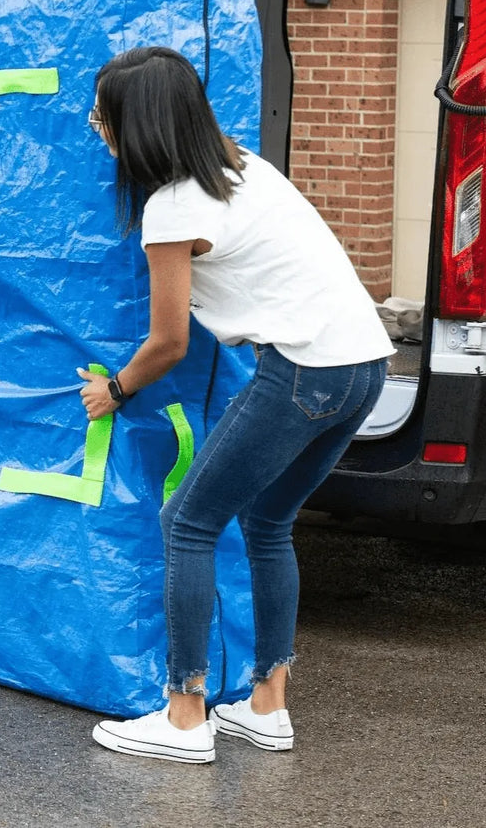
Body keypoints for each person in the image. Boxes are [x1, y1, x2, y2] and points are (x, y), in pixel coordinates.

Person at [79, 46, 393, 764]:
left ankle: (185, 716)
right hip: (365, 366)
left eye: (105, 116)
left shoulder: (172, 206)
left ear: (140, 124)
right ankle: (267, 706)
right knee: (269, 520)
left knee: (185, 520)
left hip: (304, 373)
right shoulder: (246, 169)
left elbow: (169, 342)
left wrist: (115, 390)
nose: (99, 129)